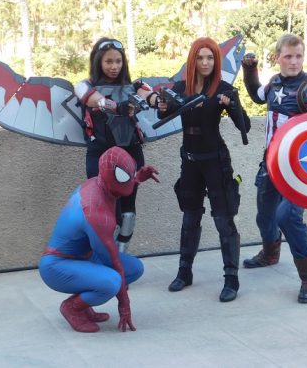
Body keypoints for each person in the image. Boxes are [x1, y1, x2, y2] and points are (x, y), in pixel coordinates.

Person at [241, 33, 307, 304]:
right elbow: (257, 95)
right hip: (271, 163)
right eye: (288, 56)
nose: (294, 62)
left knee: (288, 216)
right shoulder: (274, 83)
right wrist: (249, 69)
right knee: (265, 213)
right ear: (277, 58)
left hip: (299, 170)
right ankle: (270, 252)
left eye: (298, 56)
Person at [158, 37, 251, 303]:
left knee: (224, 220)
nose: (205, 62)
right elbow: (162, 114)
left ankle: (231, 279)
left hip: (216, 161)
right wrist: (162, 105)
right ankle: (184, 272)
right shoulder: (180, 89)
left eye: (210, 58)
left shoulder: (223, 89)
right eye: (200, 58)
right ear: (193, 61)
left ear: (216, 61)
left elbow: (244, 125)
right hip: (190, 160)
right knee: (190, 217)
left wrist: (231, 105)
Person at [39, 146, 159, 333]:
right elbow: (112, 262)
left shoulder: (97, 182)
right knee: (111, 282)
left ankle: (84, 304)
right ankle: (72, 307)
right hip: (57, 265)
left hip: (82, 257)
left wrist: (136, 179)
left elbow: (116, 185)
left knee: (135, 268)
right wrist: (124, 303)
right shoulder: (95, 211)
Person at [73, 38, 160, 253]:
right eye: (109, 61)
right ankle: (102, 256)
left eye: (119, 61)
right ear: (98, 62)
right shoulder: (86, 85)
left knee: (128, 211)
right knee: (100, 210)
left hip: (131, 152)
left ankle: (121, 257)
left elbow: (148, 96)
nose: (114, 66)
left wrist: (160, 101)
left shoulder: (135, 85)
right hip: (100, 155)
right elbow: (93, 99)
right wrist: (116, 106)